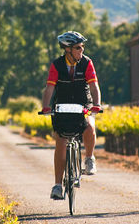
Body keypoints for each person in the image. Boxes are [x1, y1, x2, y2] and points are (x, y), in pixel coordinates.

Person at [41, 31, 102, 199]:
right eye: (78, 48)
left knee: (89, 126)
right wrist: (46, 107)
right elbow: (50, 88)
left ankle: (89, 158)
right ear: (67, 49)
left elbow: (94, 86)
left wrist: (96, 104)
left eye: (82, 47)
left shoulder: (87, 63)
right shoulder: (56, 65)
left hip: (83, 101)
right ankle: (57, 186)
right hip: (62, 104)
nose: (81, 50)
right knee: (60, 141)